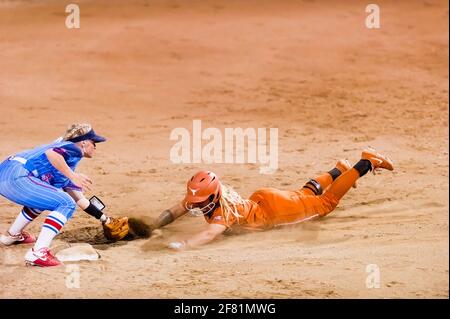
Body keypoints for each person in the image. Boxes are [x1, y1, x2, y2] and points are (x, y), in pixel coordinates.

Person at [153, 148, 394, 250]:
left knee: (325, 203)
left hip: (275, 211)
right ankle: (338, 171)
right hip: (263, 198)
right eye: (194, 200)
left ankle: (366, 162)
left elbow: (208, 234)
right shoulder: (202, 196)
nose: (195, 204)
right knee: (306, 194)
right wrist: (152, 225)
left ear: (214, 195)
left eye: (201, 201)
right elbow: (174, 211)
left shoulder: (221, 212)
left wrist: (183, 245)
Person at [0, 123, 123, 267]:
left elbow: (80, 199)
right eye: (93, 142)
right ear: (83, 142)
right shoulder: (73, 148)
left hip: (8, 174)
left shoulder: (65, 162)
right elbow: (52, 153)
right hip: (16, 176)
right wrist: (73, 175)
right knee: (65, 203)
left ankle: (12, 236)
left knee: (48, 198)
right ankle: (38, 253)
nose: (95, 146)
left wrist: (106, 219)